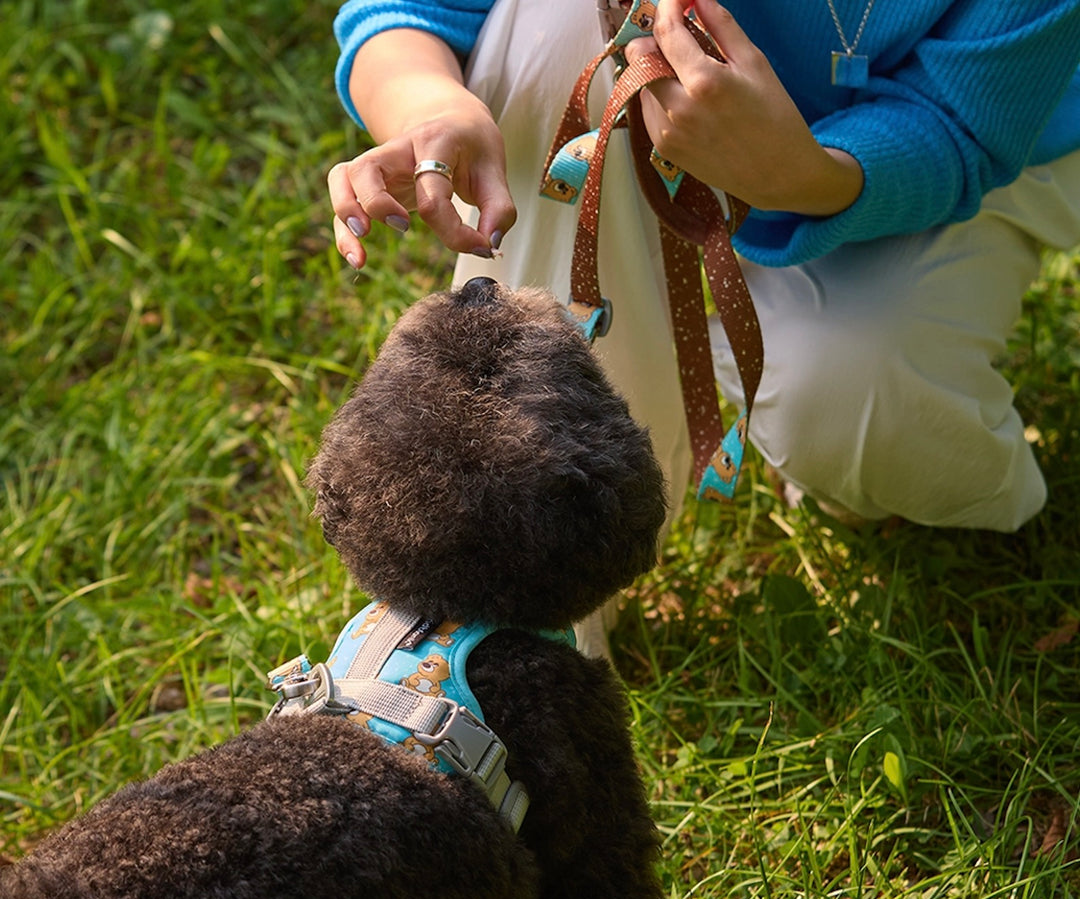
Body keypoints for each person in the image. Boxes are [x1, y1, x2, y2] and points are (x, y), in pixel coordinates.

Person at [327, 0, 1080, 533]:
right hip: (672, 116)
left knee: (849, 401)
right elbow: (407, 12)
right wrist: (430, 106)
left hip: (968, 148)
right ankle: (531, 517)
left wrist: (802, 178)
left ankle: (802, 388)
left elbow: (962, 123)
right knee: (558, 16)